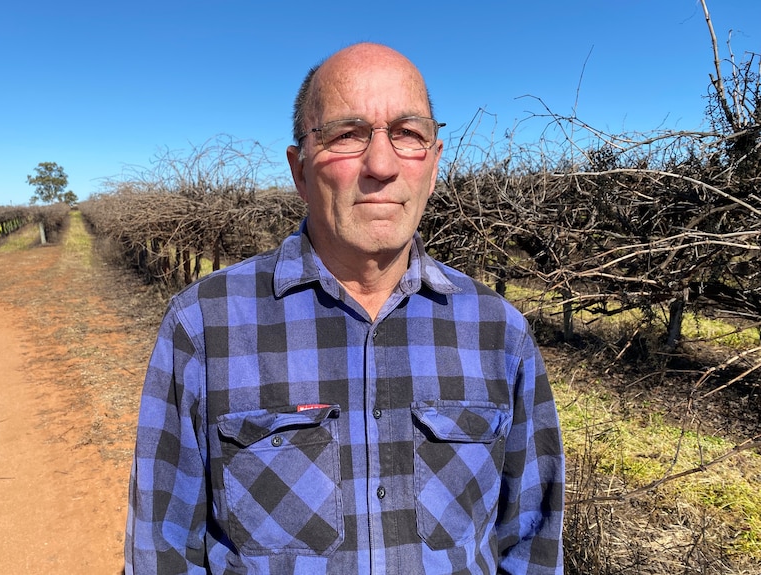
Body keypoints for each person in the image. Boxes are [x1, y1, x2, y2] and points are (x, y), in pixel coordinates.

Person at [125, 42, 564, 574]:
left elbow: (532, 547)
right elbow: (161, 553)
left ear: (433, 163)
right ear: (300, 171)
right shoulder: (203, 327)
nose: (381, 164)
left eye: (408, 134)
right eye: (347, 135)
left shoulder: (499, 333)